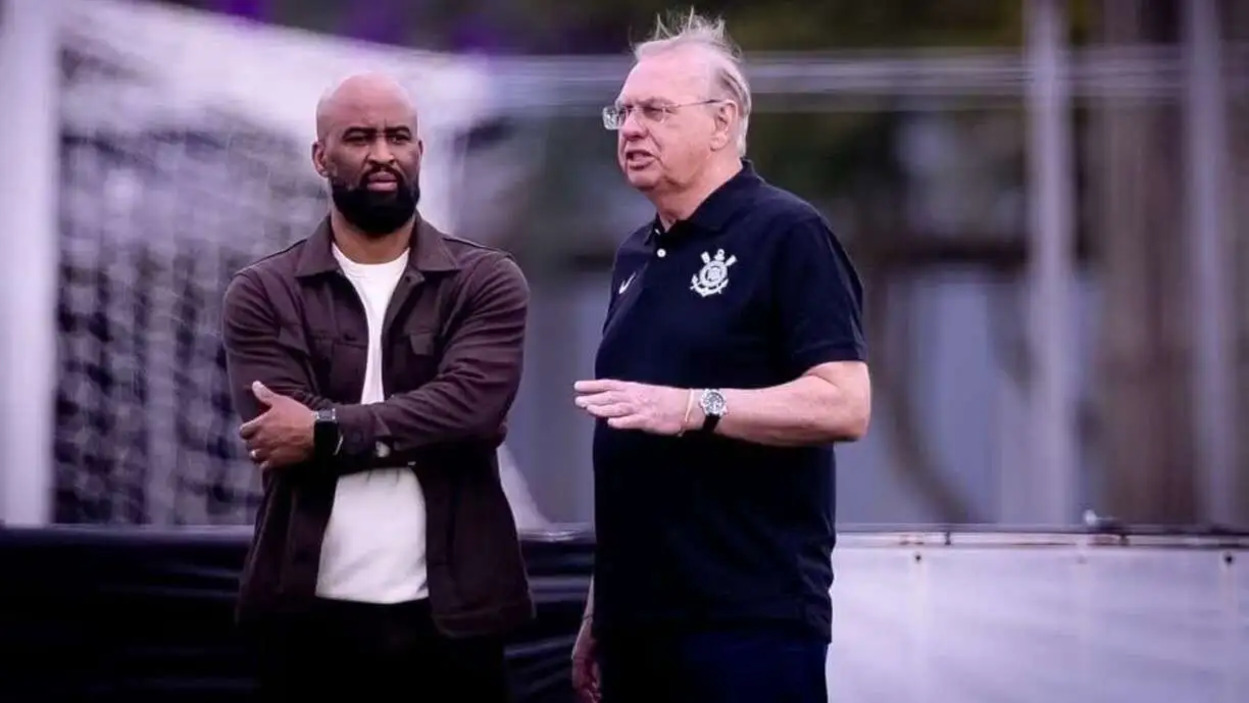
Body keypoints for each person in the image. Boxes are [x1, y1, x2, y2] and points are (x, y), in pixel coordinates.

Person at [570, 12, 871, 703]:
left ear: (721, 121)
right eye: (623, 112)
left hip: (747, 621)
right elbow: (630, 453)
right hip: (637, 625)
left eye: (654, 111)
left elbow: (844, 403)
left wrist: (693, 406)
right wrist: (598, 606)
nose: (631, 128)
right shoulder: (634, 255)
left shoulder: (788, 233)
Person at [220, 72, 533, 701]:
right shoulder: (262, 292)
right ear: (320, 157)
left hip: (455, 622)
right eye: (359, 138)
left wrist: (325, 433)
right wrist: (428, 425)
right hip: (306, 622)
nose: (383, 154)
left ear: (421, 149)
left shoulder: (485, 281)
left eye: (398, 137)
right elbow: (278, 428)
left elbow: (470, 410)